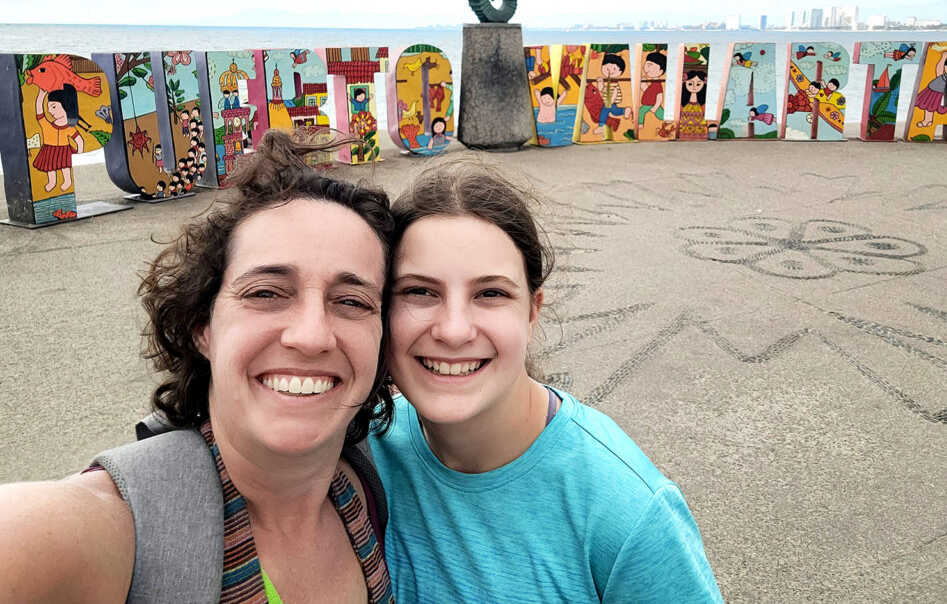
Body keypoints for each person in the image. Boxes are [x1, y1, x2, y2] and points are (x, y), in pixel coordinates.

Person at [0, 130, 396, 604]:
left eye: (352, 301)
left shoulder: (371, 481)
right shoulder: (106, 529)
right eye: (266, 293)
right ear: (201, 326)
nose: (311, 336)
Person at [370, 159, 723, 603]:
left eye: (490, 293)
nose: (453, 330)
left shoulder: (627, 513)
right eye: (419, 291)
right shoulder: (363, 454)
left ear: (533, 311)